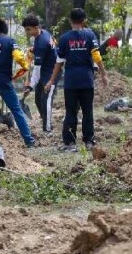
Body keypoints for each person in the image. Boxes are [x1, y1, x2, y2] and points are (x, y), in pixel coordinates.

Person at [45, 8, 108, 152]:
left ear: (70, 20)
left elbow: (59, 62)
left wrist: (51, 80)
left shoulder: (65, 38)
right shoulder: (90, 34)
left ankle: (70, 143)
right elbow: (97, 56)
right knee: (88, 111)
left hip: (71, 81)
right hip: (86, 79)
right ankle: (89, 141)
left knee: (71, 112)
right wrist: (104, 74)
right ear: (84, 19)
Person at [21, 15, 58, 133]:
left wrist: (30, 86)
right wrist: (33, 50)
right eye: (25, 29)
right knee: (38, 100)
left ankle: (47, 130)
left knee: (45, 99)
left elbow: (36, 69)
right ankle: (46, 122)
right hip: (44, 69)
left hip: (51, 72)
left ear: (36, 27)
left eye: (28, 29)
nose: (26, 32)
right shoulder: (43, 33)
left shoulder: (41, 42)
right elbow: (53, 42)